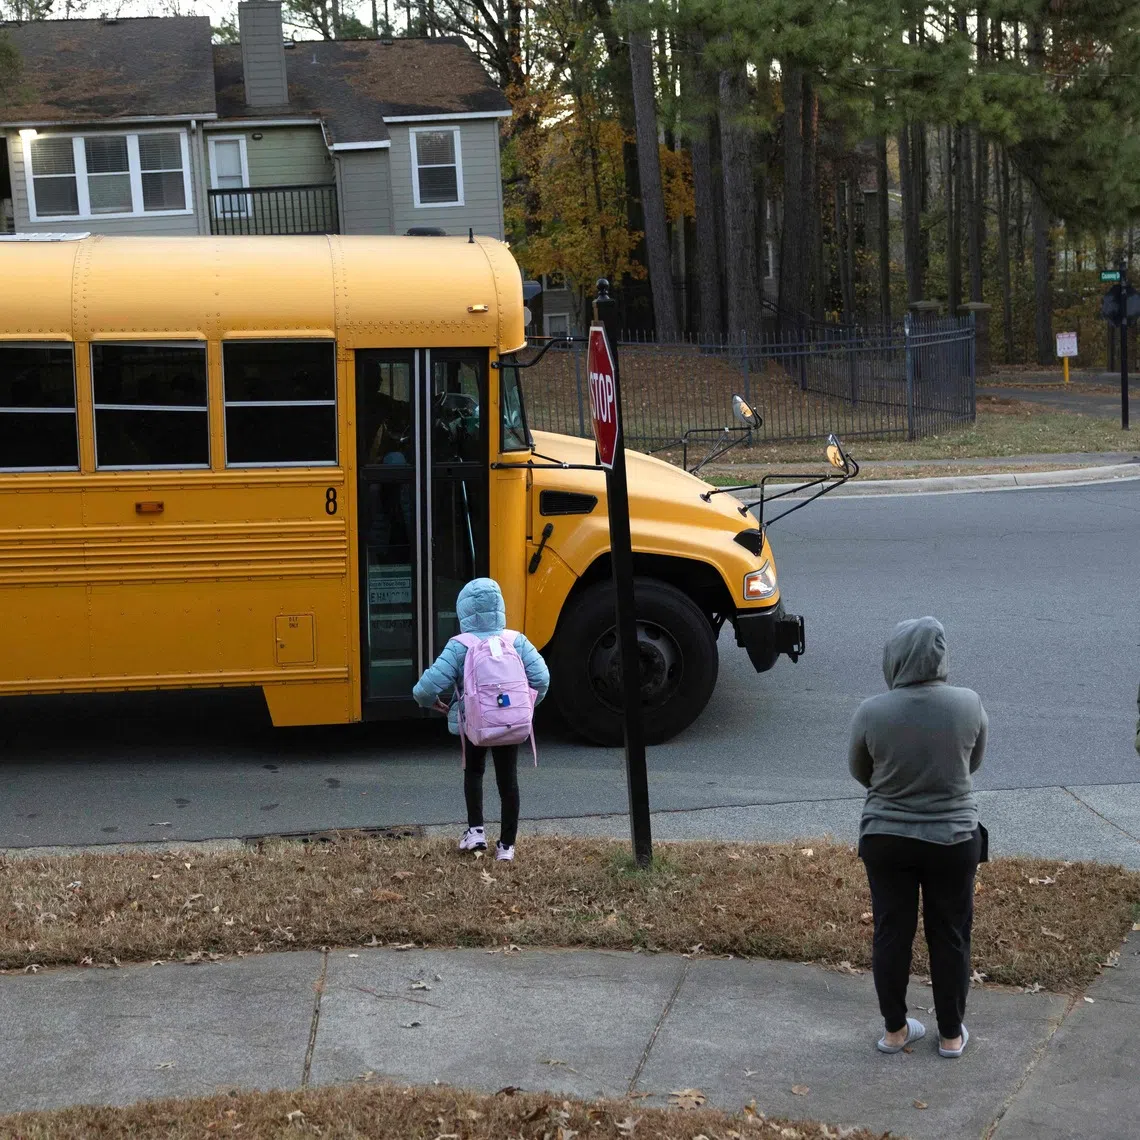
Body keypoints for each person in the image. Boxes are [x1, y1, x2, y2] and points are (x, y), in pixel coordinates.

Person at [847, 616, 988, 1059]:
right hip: (953, 840)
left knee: (892, 932)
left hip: (887, 839)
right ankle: (950, 1036)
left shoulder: (872, 711)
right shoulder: (968, 704)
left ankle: (894, 1031)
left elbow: (861, 772)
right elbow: (973, 762)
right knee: (949, 934)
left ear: (895, 658)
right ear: (940, 657)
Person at [413, 578, 549, 862]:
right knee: (508, 780)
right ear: (499, 607)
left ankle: (475, 831)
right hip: (511, 723)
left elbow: (425, 689)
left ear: (463, 611)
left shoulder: (460, 646)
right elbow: (542, 678)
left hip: (475, 723)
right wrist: (525, 707)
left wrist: (433, 704)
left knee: (474, 772)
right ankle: (507, 847)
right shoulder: (516, 640)